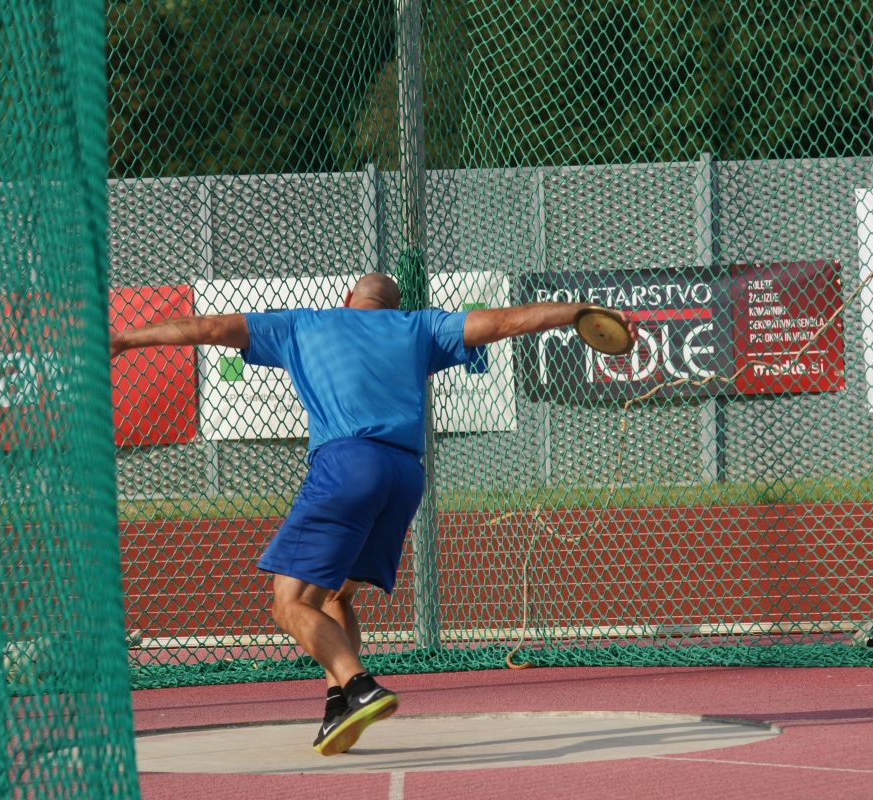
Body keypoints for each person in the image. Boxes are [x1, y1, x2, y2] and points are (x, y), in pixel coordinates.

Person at [109, 273, 635, 755]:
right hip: (404, 476)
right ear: (394, 307)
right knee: (335, 594)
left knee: (288, 604)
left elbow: (206, 328)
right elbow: (506, 321)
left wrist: (127, 339)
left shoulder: (302, 324)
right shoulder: (419, 327)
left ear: (348, 300)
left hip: (347, 465)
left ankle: (359, 685)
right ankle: (338, 704)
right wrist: (579, 312)